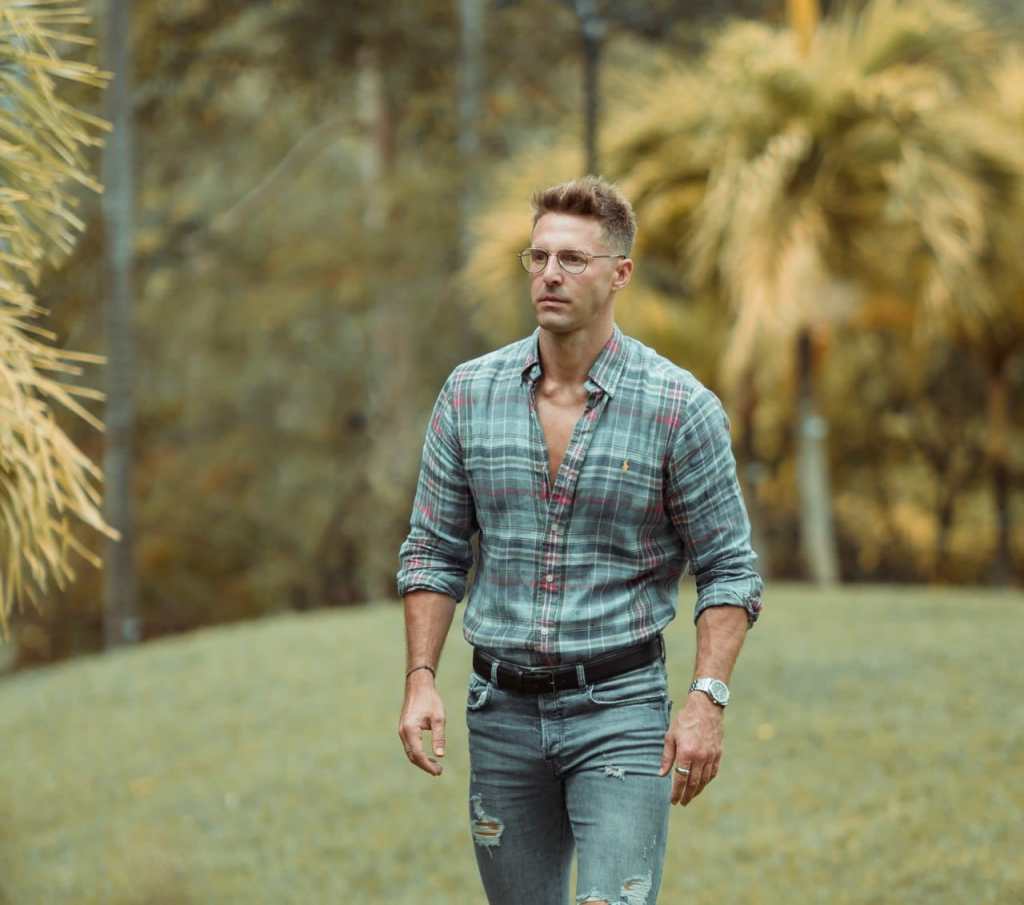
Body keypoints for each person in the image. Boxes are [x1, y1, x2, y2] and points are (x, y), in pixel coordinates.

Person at [396, 176, 763, 905]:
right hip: (500, 713)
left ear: (619, 273)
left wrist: (705, 698)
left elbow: (728, 570)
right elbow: (434, 551)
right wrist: (421, 676)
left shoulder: (679, 409)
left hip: (621, 709)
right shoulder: (468, 394)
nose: (550, 275)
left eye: (572, 259)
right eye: (537, 258)